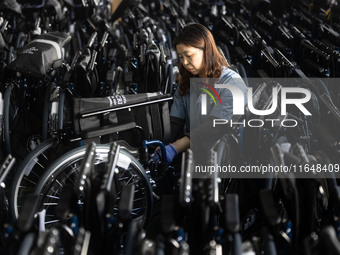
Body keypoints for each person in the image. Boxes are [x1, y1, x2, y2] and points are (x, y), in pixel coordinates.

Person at [153, 23, 248, 164]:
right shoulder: (187, 83)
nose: (185, 62)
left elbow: (214, 127)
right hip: (194, 156)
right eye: (181, 57)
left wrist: (174, 148)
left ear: (206, 50)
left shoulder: (232, 83)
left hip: (221, 163)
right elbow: (175, 122)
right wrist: (161, 145)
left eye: (189, 55)